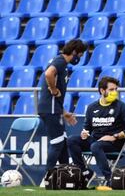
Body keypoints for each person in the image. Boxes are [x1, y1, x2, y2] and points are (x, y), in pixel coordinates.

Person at [67, 76, 125, 186]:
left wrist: (115, 136)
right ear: (102, 90)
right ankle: (85, 172)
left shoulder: (121, 106)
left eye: (116, 89)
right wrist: (84, 133)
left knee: (96, 146)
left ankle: (110, 179)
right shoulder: (92, 107)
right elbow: (87, 128)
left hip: (114, 143)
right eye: (111, 89)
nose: (114, 92)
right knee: (71, 140)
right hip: (95, 140)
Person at [38, 39, 87, 177]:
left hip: (54, 109)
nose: (80, 58)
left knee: (63, 143)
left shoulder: (62, 63)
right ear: (74, 52)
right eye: (80, 55)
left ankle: (65, 175)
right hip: (50, 109)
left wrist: (64, 113)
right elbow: (49, 73)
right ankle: (48, 177)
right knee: (57, 142)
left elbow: (57, 98)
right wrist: (53, 89)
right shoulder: (60, 61)